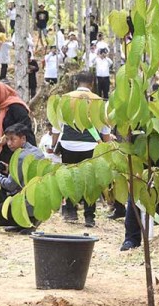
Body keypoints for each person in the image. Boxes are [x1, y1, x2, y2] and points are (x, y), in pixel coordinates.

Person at [52, 72, 112, 227]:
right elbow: (105, 129)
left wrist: (54, 146)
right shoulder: (98, 101)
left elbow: (56, 127)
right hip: (91, 146)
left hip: (68, 145)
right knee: (90, 181)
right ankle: (89, 216)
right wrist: (107, 147)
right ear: (92, 83)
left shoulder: (65, 98)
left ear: (76, 82)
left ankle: (71, 213)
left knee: (70, 178)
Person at [0, 123, 44, 233]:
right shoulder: (37, 151)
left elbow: (10, 186)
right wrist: (9, 170)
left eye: (13, 139)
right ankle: (24, 222)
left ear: (23, 139)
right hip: (38, 200)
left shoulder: (20, 156)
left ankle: (28, 222)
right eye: (7, 140)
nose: (9, 143)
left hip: (26, 202)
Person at [0, 81, 36, 166]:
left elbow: (24, 125)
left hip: (20, 150)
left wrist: (7, 137)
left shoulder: (16, 107)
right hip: (2, 151)